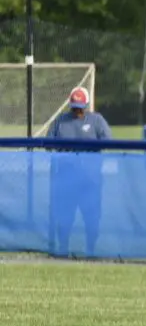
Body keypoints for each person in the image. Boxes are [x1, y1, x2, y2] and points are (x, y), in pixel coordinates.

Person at [46, 86, 112, 257]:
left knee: (92, 217)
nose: (78, 111)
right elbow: (47, 142)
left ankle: (91, 251)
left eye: (81, 108)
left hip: (90, 180)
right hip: (65, 178)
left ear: (87, 105)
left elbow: (109, 141)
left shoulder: (97, 120)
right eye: (75, 107)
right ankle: (62, 250)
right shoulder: (61, 120)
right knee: (64, 216)